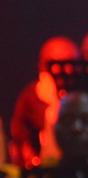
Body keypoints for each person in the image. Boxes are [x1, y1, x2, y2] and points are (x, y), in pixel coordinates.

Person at [8, 36, 80, 167]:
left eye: (71, 63)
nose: (67, 70)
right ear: (43, 66)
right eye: (58, 65)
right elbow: (20, 137)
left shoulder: (85, 96)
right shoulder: (32, 96)